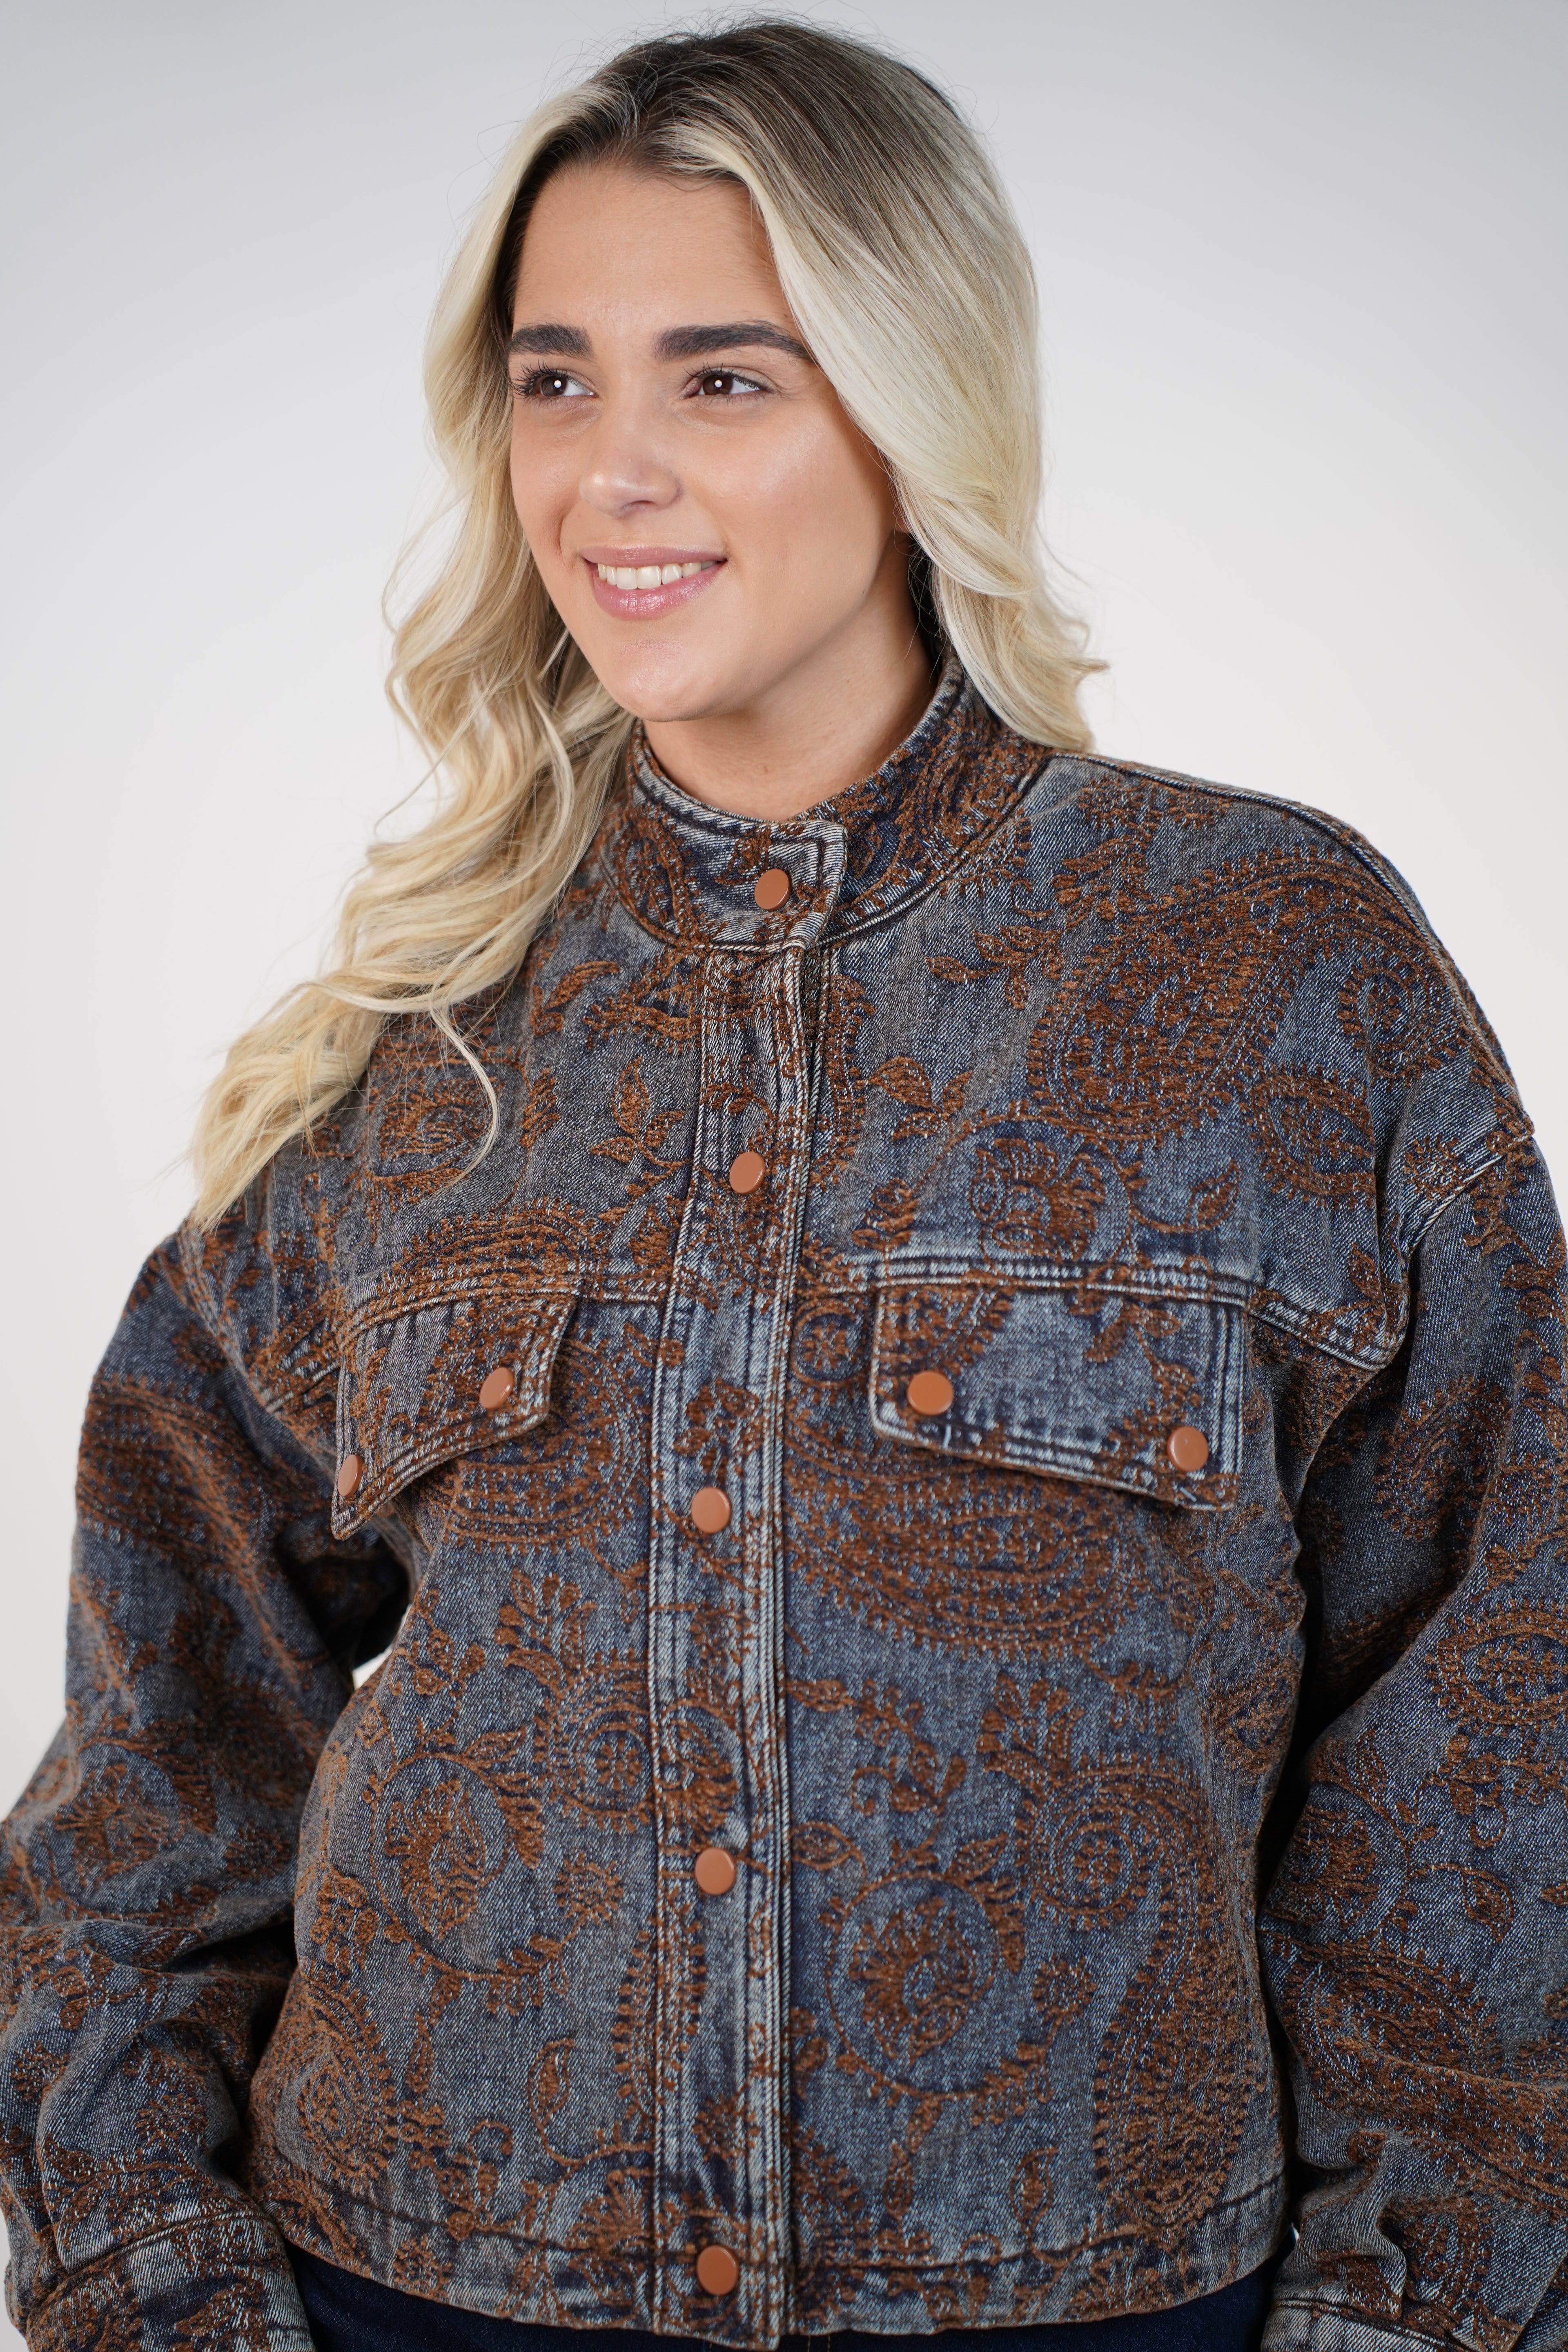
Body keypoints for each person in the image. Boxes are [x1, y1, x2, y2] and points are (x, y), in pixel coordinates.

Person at [2, 20, 1564, 2352]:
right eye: (554, 382)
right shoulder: (423, 1038)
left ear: (916, 415)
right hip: (414, 2292)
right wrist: (152, 2286)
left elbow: (1497, 1717)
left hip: (1105, 2306)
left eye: (724, 378)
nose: (610, 472)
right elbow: (153, 1782)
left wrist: (1419, 2311)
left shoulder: (1271, 968)